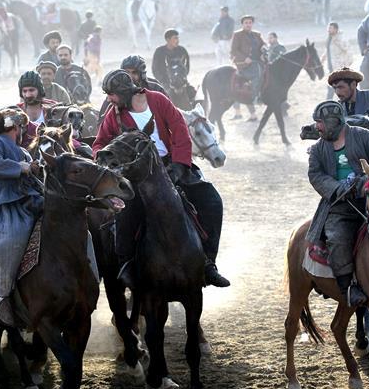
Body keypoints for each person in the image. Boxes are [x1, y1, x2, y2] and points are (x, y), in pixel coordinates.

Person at [92, 70, 230, 288]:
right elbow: (100, 143)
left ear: (124, 91)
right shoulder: (114, 114)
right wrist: (101, 156)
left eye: (112, 94)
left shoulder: (157, 100)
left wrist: (180, 165)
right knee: (124, 215)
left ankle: (208, 263)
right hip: (136, 175)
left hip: (171, 165)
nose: (109, 99)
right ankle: (127, 265)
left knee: (212, 201)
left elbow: (180, 130)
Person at [305, 101, 369, 306]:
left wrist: (367, 180)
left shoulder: (363, 136)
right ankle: (348, 287)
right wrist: (338, 188)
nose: (317, 127)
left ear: (333, 122)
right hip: (339, 205)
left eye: (320, 122)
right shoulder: (317, 149)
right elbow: (315, 175)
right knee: (337, 237)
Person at [0, 109, 42, 325]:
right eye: (20, 126)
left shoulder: (23, 151)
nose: (22, 130)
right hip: (8, 206)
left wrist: (35, 168)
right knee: (11, 241)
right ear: (14, 127)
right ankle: (1, 295)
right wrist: (19, 167)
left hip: (34, 202)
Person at [230, 15, 265, 106]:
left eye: (250, 23)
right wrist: (244, 58)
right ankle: (255, 97)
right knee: (257, 74)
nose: (248, 25)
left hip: (259, 61)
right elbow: (234, 50)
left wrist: (263, 52)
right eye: (246, 23)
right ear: (242, 24)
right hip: (245, 64)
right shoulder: (237, 35)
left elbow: (263, 45)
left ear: (252, 24)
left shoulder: (257, 34)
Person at [16, 70, 57, 147]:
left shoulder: (54, 109)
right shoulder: (16, 112)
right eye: (24, 91)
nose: (28, 95)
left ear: (40, 90)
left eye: (31, 90)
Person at [323, 23, 354, 99]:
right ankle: (329, 100)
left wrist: (347, 63)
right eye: (328, 28)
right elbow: (328, 50)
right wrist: (322, 59)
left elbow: (348, 50)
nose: (328, 30)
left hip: (339, 67)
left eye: (330, 28)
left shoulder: (341, 39)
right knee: (331, 84)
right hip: (331, 66)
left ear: (336, 29)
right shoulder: (329, 38)